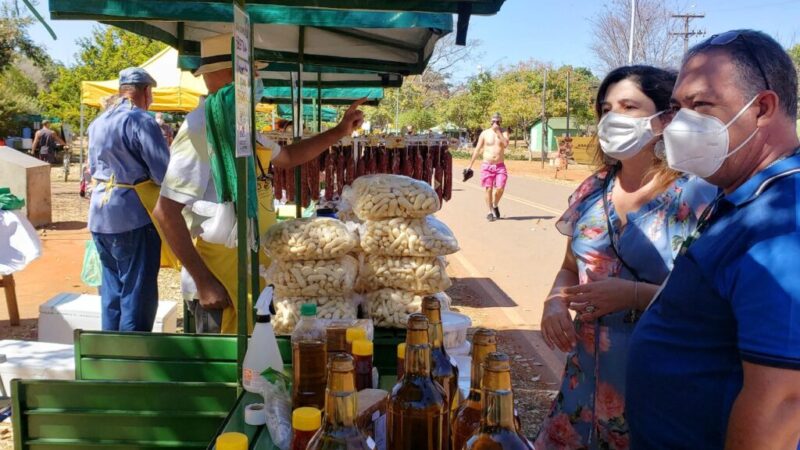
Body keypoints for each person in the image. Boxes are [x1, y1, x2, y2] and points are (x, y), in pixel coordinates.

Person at [626, 30, 800, 450]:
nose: (681, 123)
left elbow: (783, 403)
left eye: (701, 105)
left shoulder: (786, 222)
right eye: (677, 107)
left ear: (761, 108)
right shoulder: (742, 196)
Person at [533, 66, 717, 450]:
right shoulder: (592, 189)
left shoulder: (696, 197)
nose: (613, 118)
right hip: (582, 386)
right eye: (606, 108)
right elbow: (570, 267)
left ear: (666, 118)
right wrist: (554, 302)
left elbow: (715, 303)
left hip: (659, 388)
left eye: (629, 106)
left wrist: (633, 294)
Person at [153, 34, 365, 334]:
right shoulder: (200, 128)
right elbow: (165, 211)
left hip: (253, 271)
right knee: (228, 373)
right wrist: (204, 282)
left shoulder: (241, 124)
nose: (257, 79)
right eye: (250, 72)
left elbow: (288, 157)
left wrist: (339, 131)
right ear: (227, 75)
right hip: (219, 280)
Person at [87, 67, 170, 331]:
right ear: (146, 91)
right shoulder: (141, 120)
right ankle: (132, 359)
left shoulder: (98, 122)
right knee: (137, 295)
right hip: (133, 215)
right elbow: (163, 173)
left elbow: (91, 167)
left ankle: (110, 355)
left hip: (100, 216)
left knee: (112, 293)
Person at [467, 112, 509, 221]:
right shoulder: (484, 133)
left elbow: (505, 144)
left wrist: (498, 132)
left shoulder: (504, 132)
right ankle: (489, 211)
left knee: (500, 188)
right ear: (491, 121)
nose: (496, 123)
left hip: (500, 166)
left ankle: (495, 204)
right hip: (487, 165)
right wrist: (470, 165)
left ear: (501, 122)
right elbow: (477, 150)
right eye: (494, 121)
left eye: (498, 121)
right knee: (488, 188)